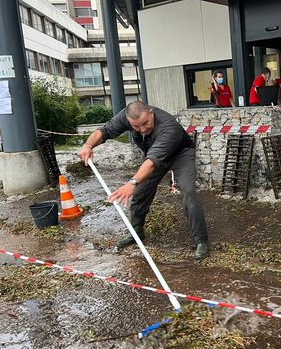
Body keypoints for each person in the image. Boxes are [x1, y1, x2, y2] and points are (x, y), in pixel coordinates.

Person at [78, 101, 210, 261]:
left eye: (145, 123)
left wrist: (132, 183)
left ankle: (201, 241)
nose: (142, 129)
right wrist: (88, 145)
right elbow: (104, 131)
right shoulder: (128, 116)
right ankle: (136, 233)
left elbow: (152, 162)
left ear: (151, 112)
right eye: (136, 127)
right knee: (141, 192)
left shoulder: (169, 127)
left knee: (189, 191)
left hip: (180, 154)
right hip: (152, 155)